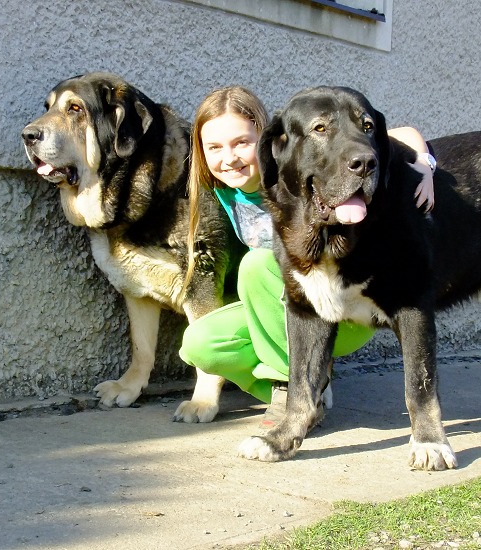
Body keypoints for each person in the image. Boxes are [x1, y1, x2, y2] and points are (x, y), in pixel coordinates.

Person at [179, 86, 435, 426]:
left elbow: (391, 133)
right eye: (214, 147)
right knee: (200, 344)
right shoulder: (226, 189)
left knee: (256, 265)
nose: (229, 158)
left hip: (340, 311)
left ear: (271, 140)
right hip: (283, 309)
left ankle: (292, 391)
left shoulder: (296, 176)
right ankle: (309, 386)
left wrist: (425, 164)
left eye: (241, 142)